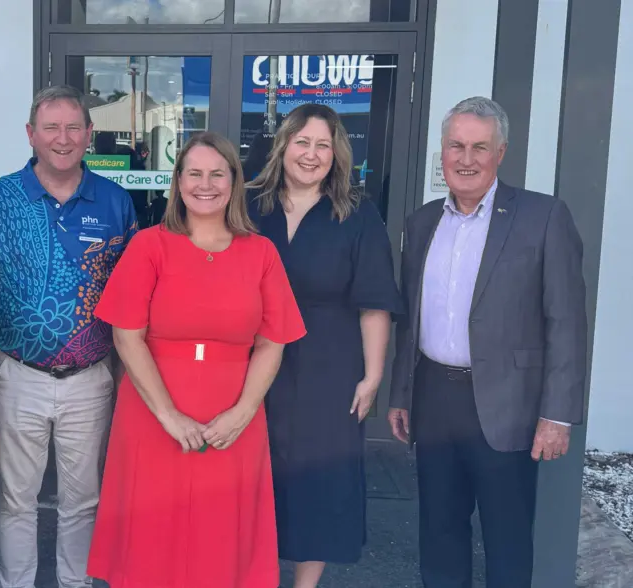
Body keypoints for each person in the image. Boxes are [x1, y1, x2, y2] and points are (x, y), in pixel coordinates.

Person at [86, 131, 306, 588]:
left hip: (233, 420)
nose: (205, 185)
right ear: (178, 182)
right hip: (153, 415)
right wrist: (168, 415)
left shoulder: (260, 252)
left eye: (217, 174)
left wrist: (243, 413)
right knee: (152, 538)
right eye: (194, 174)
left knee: (221, 540)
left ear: (234, 182)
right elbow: (128, 338)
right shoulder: (150, 246)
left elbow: (272, 341)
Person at [388, 96, 587, 587]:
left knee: (508, 538)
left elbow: (567, 321)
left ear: (501, 153)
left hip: (509, 406)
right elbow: (411, 321)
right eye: (456, 145)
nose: (466, 158)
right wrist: (401, 394)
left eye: (480, 146)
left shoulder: (542, 217)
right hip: (435, 398)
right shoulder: (422, 222)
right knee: (438, 530)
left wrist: (557, 415)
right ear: (442, 151)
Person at [0, 85, 138, 588]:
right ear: (31, 134)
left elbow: (131, 297)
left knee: (83, 501)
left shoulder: (116, 201)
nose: (63, 138)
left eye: (73, 127)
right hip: (18, 376)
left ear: (89, 135)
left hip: (90, 378)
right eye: (51, 127)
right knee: (16, 501)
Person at [245, 103, 404, 588]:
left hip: (330, 365)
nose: (311, 155)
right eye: (302, 142)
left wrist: (373, 376)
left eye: (323, 145)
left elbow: (374, 302)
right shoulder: (248, 205)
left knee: (320, 481)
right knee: (255, 476)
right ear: (283, 146)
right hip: (252, 364)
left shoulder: (356, 215)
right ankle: (256, 575)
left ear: (336, 155)